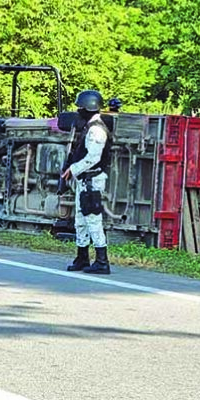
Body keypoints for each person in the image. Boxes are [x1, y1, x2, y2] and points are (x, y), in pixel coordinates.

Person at [61, 90, 113, 274]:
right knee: (80, 221)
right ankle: (82, 257)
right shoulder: (89, 127)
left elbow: (93, 157)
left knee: (93, 220)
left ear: (88, 107)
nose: (78, 111)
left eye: (80, 107)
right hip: (84, 180)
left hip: (92, 180)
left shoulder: (96, 130)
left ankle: (101, 261)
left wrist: (72, 170)